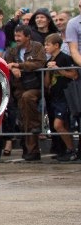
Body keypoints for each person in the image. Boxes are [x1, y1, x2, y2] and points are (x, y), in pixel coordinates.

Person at [4, 25, 47, 160]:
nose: (16, 39)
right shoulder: (12, 51)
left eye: (19, 36)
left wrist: (19, 66)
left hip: (36, 86)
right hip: (19, 89)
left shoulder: (37, 47)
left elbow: (40, 63)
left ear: (28, 37)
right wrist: (12, 68)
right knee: (23, 119)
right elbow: (7, 64)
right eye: (15, 36)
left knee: (27, 101)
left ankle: (33, 146)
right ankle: (30, 151)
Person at [43, 33, 78, 161]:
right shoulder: (49, 61)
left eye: (48, 44)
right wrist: (48, 70)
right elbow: (46, 83)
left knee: (59, 124)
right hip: (54, 96)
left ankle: (71, 149)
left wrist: (59, 70)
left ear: (56, 45)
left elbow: (74, 75)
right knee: (60, 125)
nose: (45, 47)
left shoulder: (65, 58)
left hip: (65, 95)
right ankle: (66, 149)